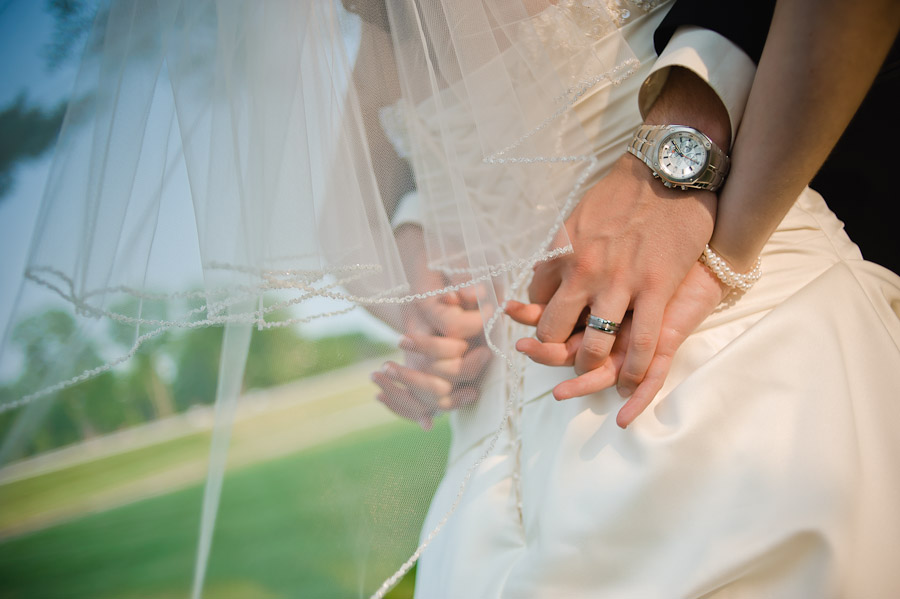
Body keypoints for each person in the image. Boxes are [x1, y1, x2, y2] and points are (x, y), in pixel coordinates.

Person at [371, 0, 900, 597]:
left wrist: (685, 192)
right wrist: (428, 283)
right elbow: (374, 166)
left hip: (733, 328)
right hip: (500, 429)